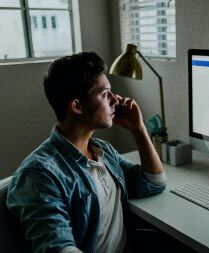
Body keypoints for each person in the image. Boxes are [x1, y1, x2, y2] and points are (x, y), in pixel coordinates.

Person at [6, 52, 167, 253]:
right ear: (77, 106)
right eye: (105, 93)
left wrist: (139, 129)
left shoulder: (102, 151)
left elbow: (153, 183)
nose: (115, 100)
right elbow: (57, 247)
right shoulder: (40, 174)